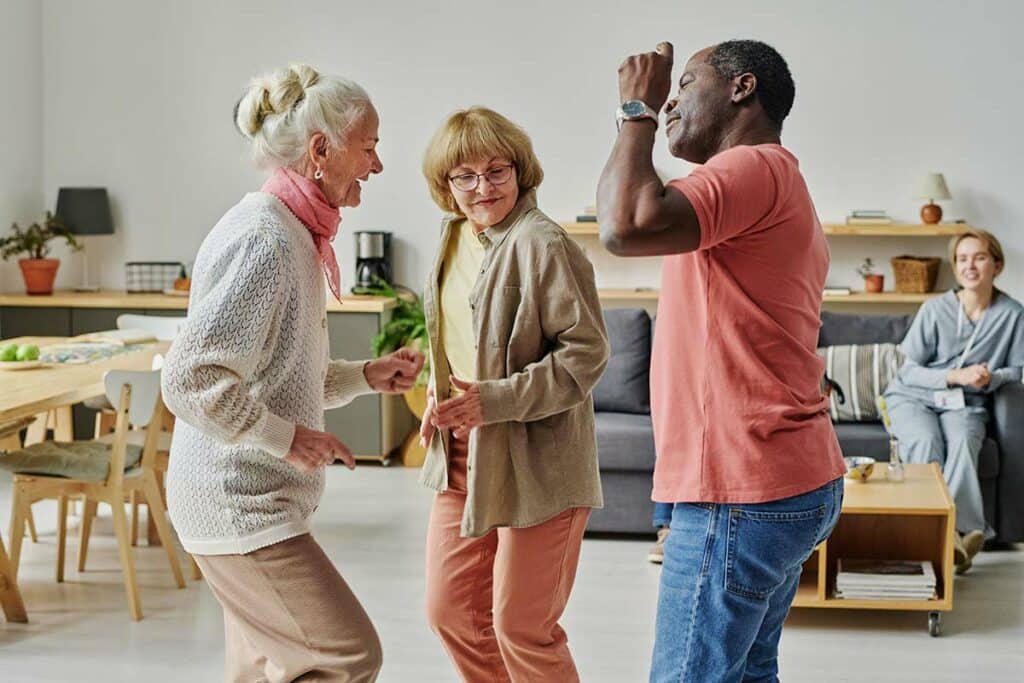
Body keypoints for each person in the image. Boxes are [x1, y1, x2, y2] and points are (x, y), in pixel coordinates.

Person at [161, 64, 423, 682]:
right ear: (320, 151)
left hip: (248, 497)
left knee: (263, 671)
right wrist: (290, 438)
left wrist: (366, 374)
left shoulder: (297, 236)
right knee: (346, 654)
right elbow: (190, 379)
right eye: (370, 146)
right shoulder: (267, 239)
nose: (378, 165)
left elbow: (279, 376)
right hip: (237, 502)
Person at [597, 41, 846, 681]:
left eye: (685, 83)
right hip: (776, 479)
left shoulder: (751, 168)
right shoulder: (770, 179)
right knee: (747, 673)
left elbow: (623, 225)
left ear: (741, 89)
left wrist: (636, 110)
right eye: (667, 91)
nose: (672, 99)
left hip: (741, 488)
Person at [417, 106, 610, 682]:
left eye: (497, 170)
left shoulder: (543, 244)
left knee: (523, 626)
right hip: (459, 453)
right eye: (465, 176)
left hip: (537, 461)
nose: (483, 188)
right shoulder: (455, 235)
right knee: (451, 612)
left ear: (521, 171)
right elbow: (453, 335)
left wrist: (492, 400)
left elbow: (585, 355)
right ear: (446, 186)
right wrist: (438, 390)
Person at [884, 229, 1023, 573]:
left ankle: (959, 535)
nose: (969, 266)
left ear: (997, 265)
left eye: (979, 257)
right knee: (926, 441)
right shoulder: (935, 309)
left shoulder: (1012, 314)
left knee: (964, 442)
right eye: (962, 259)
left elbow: (1017, 370)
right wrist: (953, 376)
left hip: (966, 403)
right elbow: (907, 369)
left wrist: (992, 377)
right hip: (914, 397)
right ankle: (925, 533)